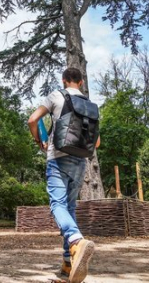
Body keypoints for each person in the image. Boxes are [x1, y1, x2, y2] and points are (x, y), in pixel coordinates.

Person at [28, 67, 100, 283]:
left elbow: (33, 120)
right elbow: (97, 142)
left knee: (57, 205)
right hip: (80, 162)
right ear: (81, 82)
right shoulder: (90, 105)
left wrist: (39, 140)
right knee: (69, 208)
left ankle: (77, 242)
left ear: (64, 80)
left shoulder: (56, 96)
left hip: (57, 158)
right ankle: (68, 263)